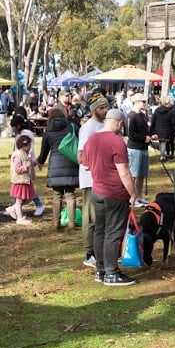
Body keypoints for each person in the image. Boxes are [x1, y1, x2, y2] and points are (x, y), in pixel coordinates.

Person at [82, 108, 140, 286]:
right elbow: (124, 172)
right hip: (115, 193)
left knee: (100, 230)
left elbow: (85, 166)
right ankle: (111, 272)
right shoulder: (117, 142)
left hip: (97, 191)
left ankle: (100, 270)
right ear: (120, 123)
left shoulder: (92, 139)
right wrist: (133, 193)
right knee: (113, 233)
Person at [77, 92, 110, 268]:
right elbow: (81, 156)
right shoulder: (88, 128)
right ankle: (90, 253)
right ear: (94, 109)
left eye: (106, 107)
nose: (105, 110)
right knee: (91, 217)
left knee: (101, 217)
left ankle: (100, 250)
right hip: (90, 179)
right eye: (101, 107)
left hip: (103, 178)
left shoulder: (104, 125)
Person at [37, 106, 80, 231]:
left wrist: (40, 162)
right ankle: (71, 223)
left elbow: (44, 151)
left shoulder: (48, 131)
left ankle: (56, 222)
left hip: (55, 166)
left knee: (57, 195)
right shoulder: (72, 127)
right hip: (71, 164)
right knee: (70, 195)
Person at [125, 94, 155, 204]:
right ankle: (132, 197)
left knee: (142, 174)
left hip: (144, 148)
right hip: (135, 149)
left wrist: (150, 136)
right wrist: (143, 138)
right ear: (136, 102)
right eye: (143, 101)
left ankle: (139, 196)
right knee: (134, 174)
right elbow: (130, 133)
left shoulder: (142, 115)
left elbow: (145, 130)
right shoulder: (130, 116)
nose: (144, 103)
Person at [7, 130, 37, 225]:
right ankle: (19, 218)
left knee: (29, 197)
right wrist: (26, 167)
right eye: (29, 145)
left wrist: (34, 162)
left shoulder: (25, 154)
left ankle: (14, 208)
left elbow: (29, 162)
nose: (30, 147)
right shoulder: (18, 155)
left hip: (25, 180)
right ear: (23, 146)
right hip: (20, 181)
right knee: (19, 200)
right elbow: (17, 169)